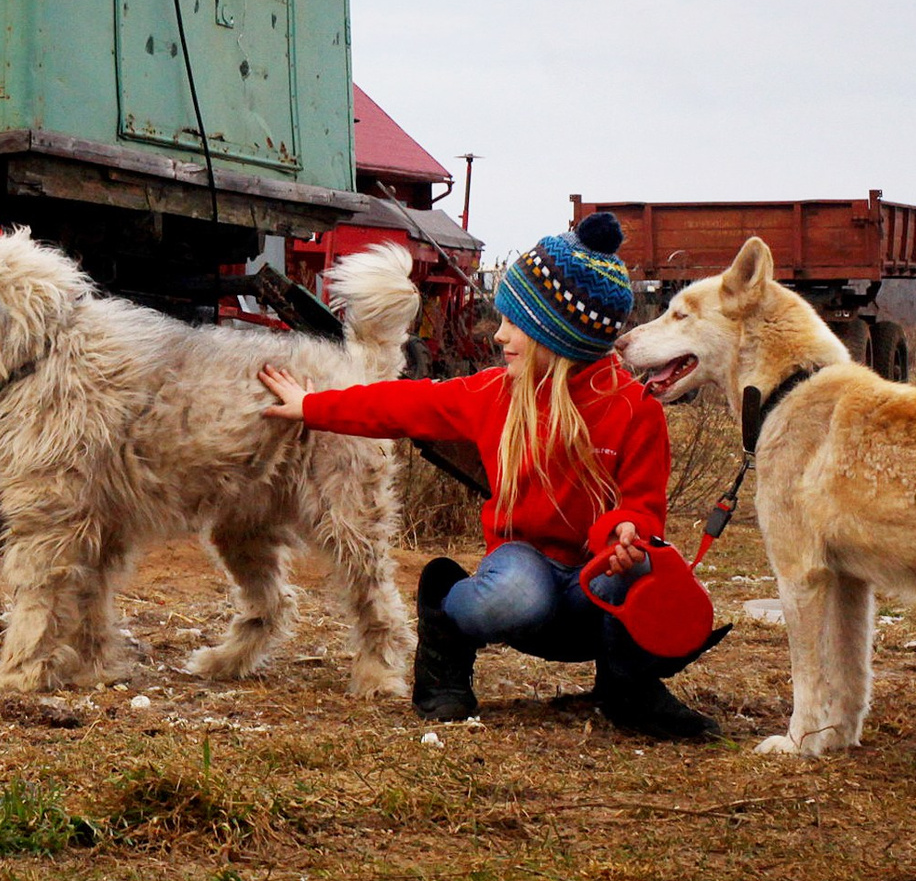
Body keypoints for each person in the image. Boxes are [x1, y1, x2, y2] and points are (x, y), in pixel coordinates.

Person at [257, 212, 720, 739]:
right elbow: (403, 405)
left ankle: (628, 690)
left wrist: (626, 535)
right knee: (516, 593)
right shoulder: (495, 395)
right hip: (529, 573)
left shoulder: (636, 411)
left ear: (559, 334)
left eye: (514, 323)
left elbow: (644, 510)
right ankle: (445, 624)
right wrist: (312, 404)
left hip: (596, 587)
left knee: (645, 572)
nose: (499, 335)